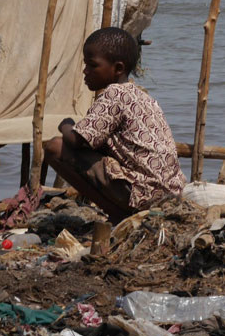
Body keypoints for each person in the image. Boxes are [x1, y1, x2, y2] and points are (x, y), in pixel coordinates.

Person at [43, 27, 185, 223]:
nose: (85, 71)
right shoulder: (144, 98)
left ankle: (118, 215)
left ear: (118, 69)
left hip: (144, 192)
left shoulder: (114, 94)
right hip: (169, 193)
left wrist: (66, 124)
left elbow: (76, 140)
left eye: (92, 65)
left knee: (55, 147)